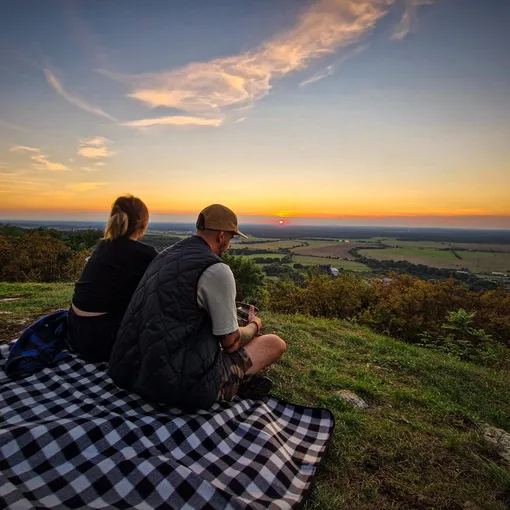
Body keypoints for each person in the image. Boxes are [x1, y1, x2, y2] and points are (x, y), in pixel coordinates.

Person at [108, 204, 286, 410]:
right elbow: (231, 343)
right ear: (222, 235)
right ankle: (235, 384)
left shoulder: (165, 255)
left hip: (128, 370)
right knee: (274, 343)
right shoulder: (216, 269)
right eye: (231, 237)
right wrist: (254, 326)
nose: (229, 243)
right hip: (176, 386)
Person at [67, 195, 157, 363]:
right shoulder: (145, 254)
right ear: (143, 223)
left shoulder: (103, 246)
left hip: (74, 329)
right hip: (101, 338)